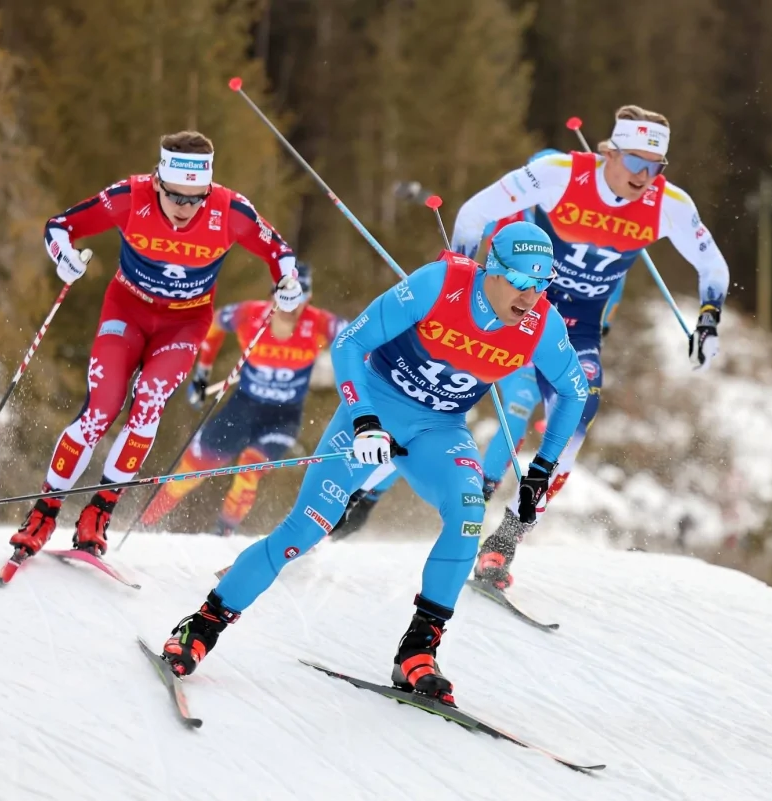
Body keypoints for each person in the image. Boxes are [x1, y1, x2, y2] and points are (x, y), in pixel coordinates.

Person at [158, 220, 589, 702]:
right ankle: (202, 625)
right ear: (493, 269)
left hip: (439, 431)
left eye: (543, 283)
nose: (532, 296)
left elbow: (573, 394)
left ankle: (417, 653)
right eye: (522, 282)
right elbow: (350, 344)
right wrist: (363, 419)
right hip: (375, 411)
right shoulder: (439, 284)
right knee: (304, 529)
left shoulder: (541, 325)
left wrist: (540, 470)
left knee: (469, 514)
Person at [450, 105, 730, 590]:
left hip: (578, 328)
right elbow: (475, 212)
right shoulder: (559, 174)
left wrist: (708, 320)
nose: (645, 177)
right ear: (611, 153)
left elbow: (714, 268)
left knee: (578, 419)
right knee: (489, 400)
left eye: (655, 167)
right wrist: (456, 274)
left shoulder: (669, 204)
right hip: (524, 307)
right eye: (636, 163)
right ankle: (449, 502)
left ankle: (505, 542)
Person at [9, 130, 303, 560]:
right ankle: (44, 512)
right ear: (158, 182)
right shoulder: (130, 196)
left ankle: (99, 512)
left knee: (148, 403)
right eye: (176, 197)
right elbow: (60, 226)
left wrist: (287, 285)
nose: (186, 208)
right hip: (126, 311)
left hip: (183, 324)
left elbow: (280, 253)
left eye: (196, 198)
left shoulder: (230, 210)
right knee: (101, 410)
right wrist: (65, 257)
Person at [330, 149, 628, 540]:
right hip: (482, 330)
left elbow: (614, 278)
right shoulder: (507, 219)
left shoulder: (567, 230)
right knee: (425, 414)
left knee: (516, 415)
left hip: (530, 335)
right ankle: (366, 493)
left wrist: (603, 323)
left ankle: (482, 493)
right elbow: (466, 247)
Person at [139, 262, 348, 535]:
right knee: (190, 471)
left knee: (250, 468)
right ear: (273, 293)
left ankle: (223, 532)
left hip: (282, 419)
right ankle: (145, 525)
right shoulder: (249, 314)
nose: (291, 305)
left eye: (300, 297)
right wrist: (202, 373)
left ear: (308, 297)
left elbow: (360, 339)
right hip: (242, 409)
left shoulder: (321, 323)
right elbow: (213, 323)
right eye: (284, 295)